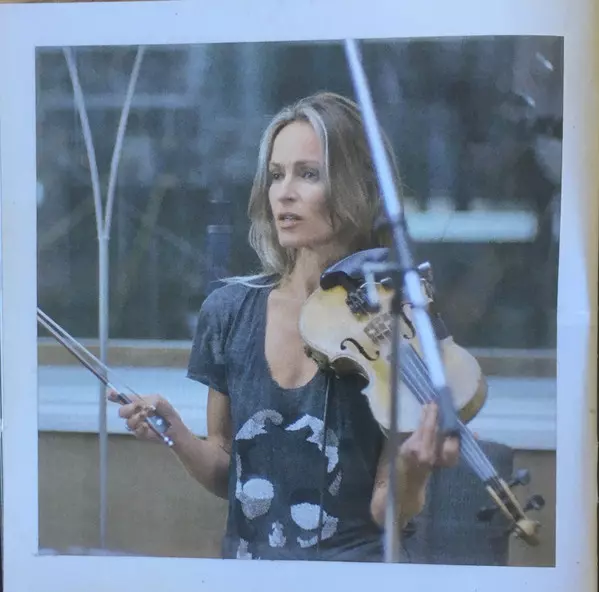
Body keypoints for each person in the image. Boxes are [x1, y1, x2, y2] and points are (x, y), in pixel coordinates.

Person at [110, 91, 459, 562]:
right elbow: (228, 469)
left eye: (308, 174)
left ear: (358, 187)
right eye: (276, 175)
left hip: (351, 576)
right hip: (249, 576)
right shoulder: (229, 311)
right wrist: (177, 433)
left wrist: (413, 472)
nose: (284, 193)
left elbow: (387, 509)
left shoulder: (394, 318)